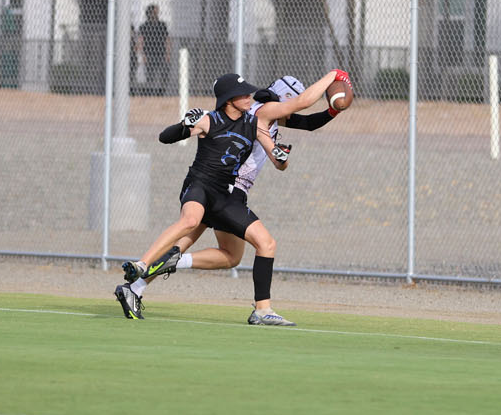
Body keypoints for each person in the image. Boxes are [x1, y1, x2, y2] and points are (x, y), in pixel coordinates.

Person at [117, 68, 348, 327]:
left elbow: (306, 124)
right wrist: (334, 75)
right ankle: (261, 309)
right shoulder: (264, 111)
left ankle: (138, 286)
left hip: (227, 191)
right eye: (290, 99)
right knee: (207, 232)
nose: (249, 96)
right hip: (228, 189)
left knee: (222, 254)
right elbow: (302, 102)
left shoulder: (260, 120)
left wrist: (333, 111)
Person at [134, 3, 172, 96]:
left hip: (161, 54)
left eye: (157, 12)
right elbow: (141, 40)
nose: (156, 14)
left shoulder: (162, 25)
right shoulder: (144, 26)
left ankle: (161, 92)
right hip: (149, 54)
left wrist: (168, 53)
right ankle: (149, 93)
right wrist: (142, 55)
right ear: (149, 13)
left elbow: (167, 40)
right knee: (150, 75)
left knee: (164, 73)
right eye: (154, 12)